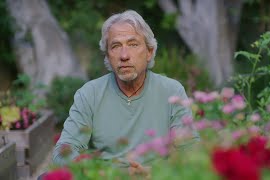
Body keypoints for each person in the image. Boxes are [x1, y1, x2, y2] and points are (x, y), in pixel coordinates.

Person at [52, 9, 198, 172]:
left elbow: (190, 150)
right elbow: (62, 152)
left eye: (133, 44)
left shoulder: (172, 91)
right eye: (115, 46)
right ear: (107, 56)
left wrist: (155, 173)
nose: (124, 55)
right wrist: (99, 173)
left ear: (149, 52)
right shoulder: (90, 93)